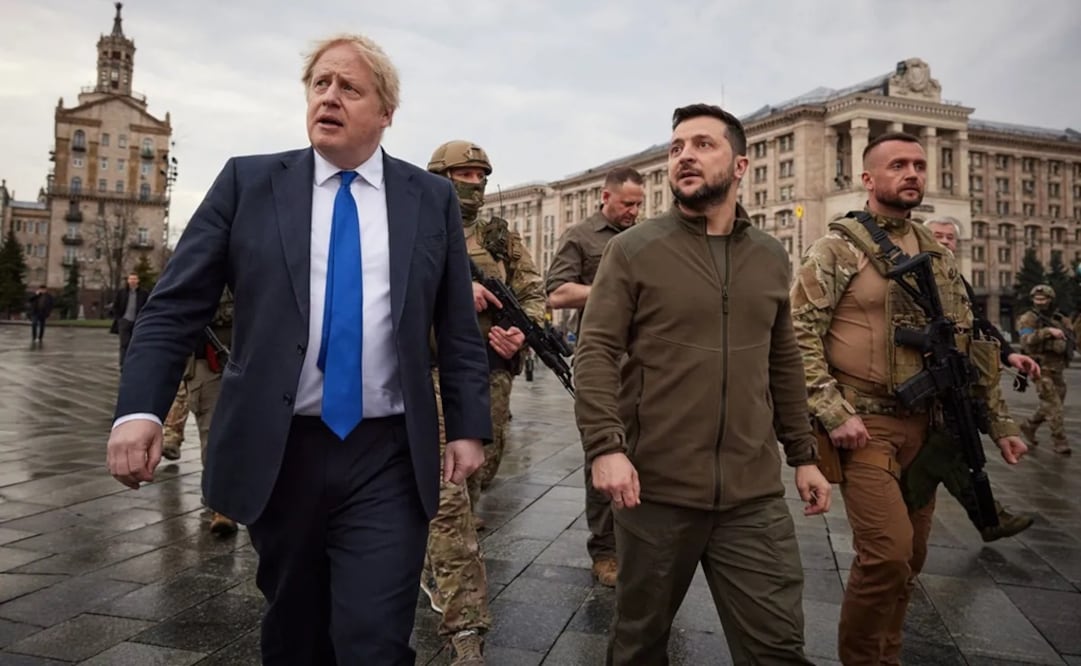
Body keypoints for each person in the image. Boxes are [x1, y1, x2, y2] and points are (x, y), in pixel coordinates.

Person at [105, 34, 492, 665]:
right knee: (295, 632)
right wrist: (138, 410)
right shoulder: (249, 183)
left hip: (388, 452)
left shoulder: (429, 199)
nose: (329, 97)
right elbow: (174, 306)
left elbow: (455, 325)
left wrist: (468, 427)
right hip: (282, 448)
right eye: (320, 84)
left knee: (375, 638)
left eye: (350, 87)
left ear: (386, 112)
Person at [574, 103, 830, 665]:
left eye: (703, 145)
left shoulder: (769, 255)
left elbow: (782, 358)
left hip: (752, 496)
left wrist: (803, 455)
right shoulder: (634, 249)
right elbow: (595, 351)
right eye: (676, 147)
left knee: (777, 646)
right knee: (639, 642)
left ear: (740, 165)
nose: (685, 155)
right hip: (655, 490)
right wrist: (606, 448)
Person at [791, 131, 1027, 665]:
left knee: (912, 558)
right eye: (898, 164)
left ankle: (887, 657)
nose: (913, 173)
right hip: (864, 426)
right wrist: (831, 412)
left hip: (928, 426)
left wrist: (1001, 424)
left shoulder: (937, 253)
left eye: (919, 165)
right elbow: (796, 334)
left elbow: (966, 343)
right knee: (887, 555)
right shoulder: (837, 247)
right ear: (868, 179)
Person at [421, 140, 546, 665]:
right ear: (440, 176)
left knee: (478, 475)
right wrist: (455, 289)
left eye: (480, 174)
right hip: (425, 375)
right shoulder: (413, 225)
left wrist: (520, 332)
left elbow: (534, 293)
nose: (473, 183)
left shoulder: (499, 236)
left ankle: (433, 561)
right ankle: (465, 629)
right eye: (463, 173)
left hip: (488, 375)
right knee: (450, 500)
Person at [906, 217, 1035, 542]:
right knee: (948, 451)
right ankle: (985, 518)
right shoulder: (908, 273)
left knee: (955, 448)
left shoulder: (956, 280)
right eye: (937, 235)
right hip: (917, 380)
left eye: (950, 237)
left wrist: (1008, 355)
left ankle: (988, 518)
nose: (945, 242)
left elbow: (978, 325)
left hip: (949, 380)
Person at [544, 166, 644, 587]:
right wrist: (614, 287)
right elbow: (556, 292)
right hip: (603, 359)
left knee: (646, 451)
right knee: (604, 451)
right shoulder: (581, 235)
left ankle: (641, 542)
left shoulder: (644, 236)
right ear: (605, 198)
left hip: (645, 361)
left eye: (639, 204)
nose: (634, 211)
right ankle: (605, 550)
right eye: (627, 204)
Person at [160, 288, 239, 536]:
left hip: (252, 357)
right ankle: (221, 504)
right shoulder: (198, 268)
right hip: (208, 363)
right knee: (213, 433)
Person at [1018, 284, 1073, 455]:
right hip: (1040, 369)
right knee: (1054, 406)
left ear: (1050, 300)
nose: (1040, 302)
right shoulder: (1028, 318)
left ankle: (1029, 425)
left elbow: (1070, 336)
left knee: (1050, 406)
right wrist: (1047, 332)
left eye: (1043, 299)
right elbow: (1025, 341)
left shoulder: (1059, 318)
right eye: (1037, 299)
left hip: (1058, 369)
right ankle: (1060, 441)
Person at [110, 272, 148, 367]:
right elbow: (116, 306)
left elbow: (147, 306)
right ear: (128, 280)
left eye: (134, 279)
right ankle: (123, 364)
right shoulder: (122, 292)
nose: (132, 281)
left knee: (136, 343)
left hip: (138, 322)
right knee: (124, 344)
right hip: (124, 321)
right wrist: (119, 319)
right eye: (131, 279)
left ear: (138, 281)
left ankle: (134, 363)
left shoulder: (144, 293)